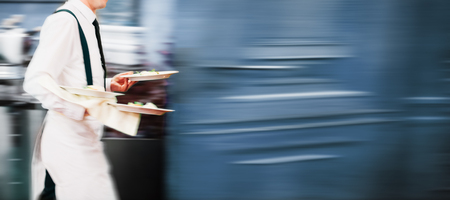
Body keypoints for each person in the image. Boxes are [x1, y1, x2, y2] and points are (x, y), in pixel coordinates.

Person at [23, 0, 136, 199]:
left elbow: (77, 78)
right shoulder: (65, 21)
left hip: (83, 139)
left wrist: (108, 85)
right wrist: (79, 109)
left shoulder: (86, 22)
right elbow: (36, 80)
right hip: (68, 142)